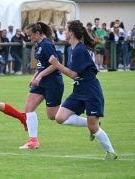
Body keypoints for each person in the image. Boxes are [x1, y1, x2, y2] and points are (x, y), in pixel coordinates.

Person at [48, 20, 117, 160]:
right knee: (59, 118)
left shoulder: (80, 49)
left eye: (66, 29)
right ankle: (91, 123)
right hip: (78, 89)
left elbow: (73, 74)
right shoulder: (70, 48)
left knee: (93, 129)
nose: (64, 31)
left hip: (90, 90)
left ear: (71, 32)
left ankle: (111, 153)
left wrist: (56, 65)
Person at [19, 22, 64, 149]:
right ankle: (33, 141)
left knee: (53, 116)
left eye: (30, 35)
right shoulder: (38, 45)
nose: (29, 38)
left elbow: (55, 64)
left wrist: (39, 76)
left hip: (53, 82)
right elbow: (42, 64)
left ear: (37, 33)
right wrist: (34, 77)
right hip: (41, 82)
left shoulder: (46, 45)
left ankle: (89, 123)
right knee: (29, 107)